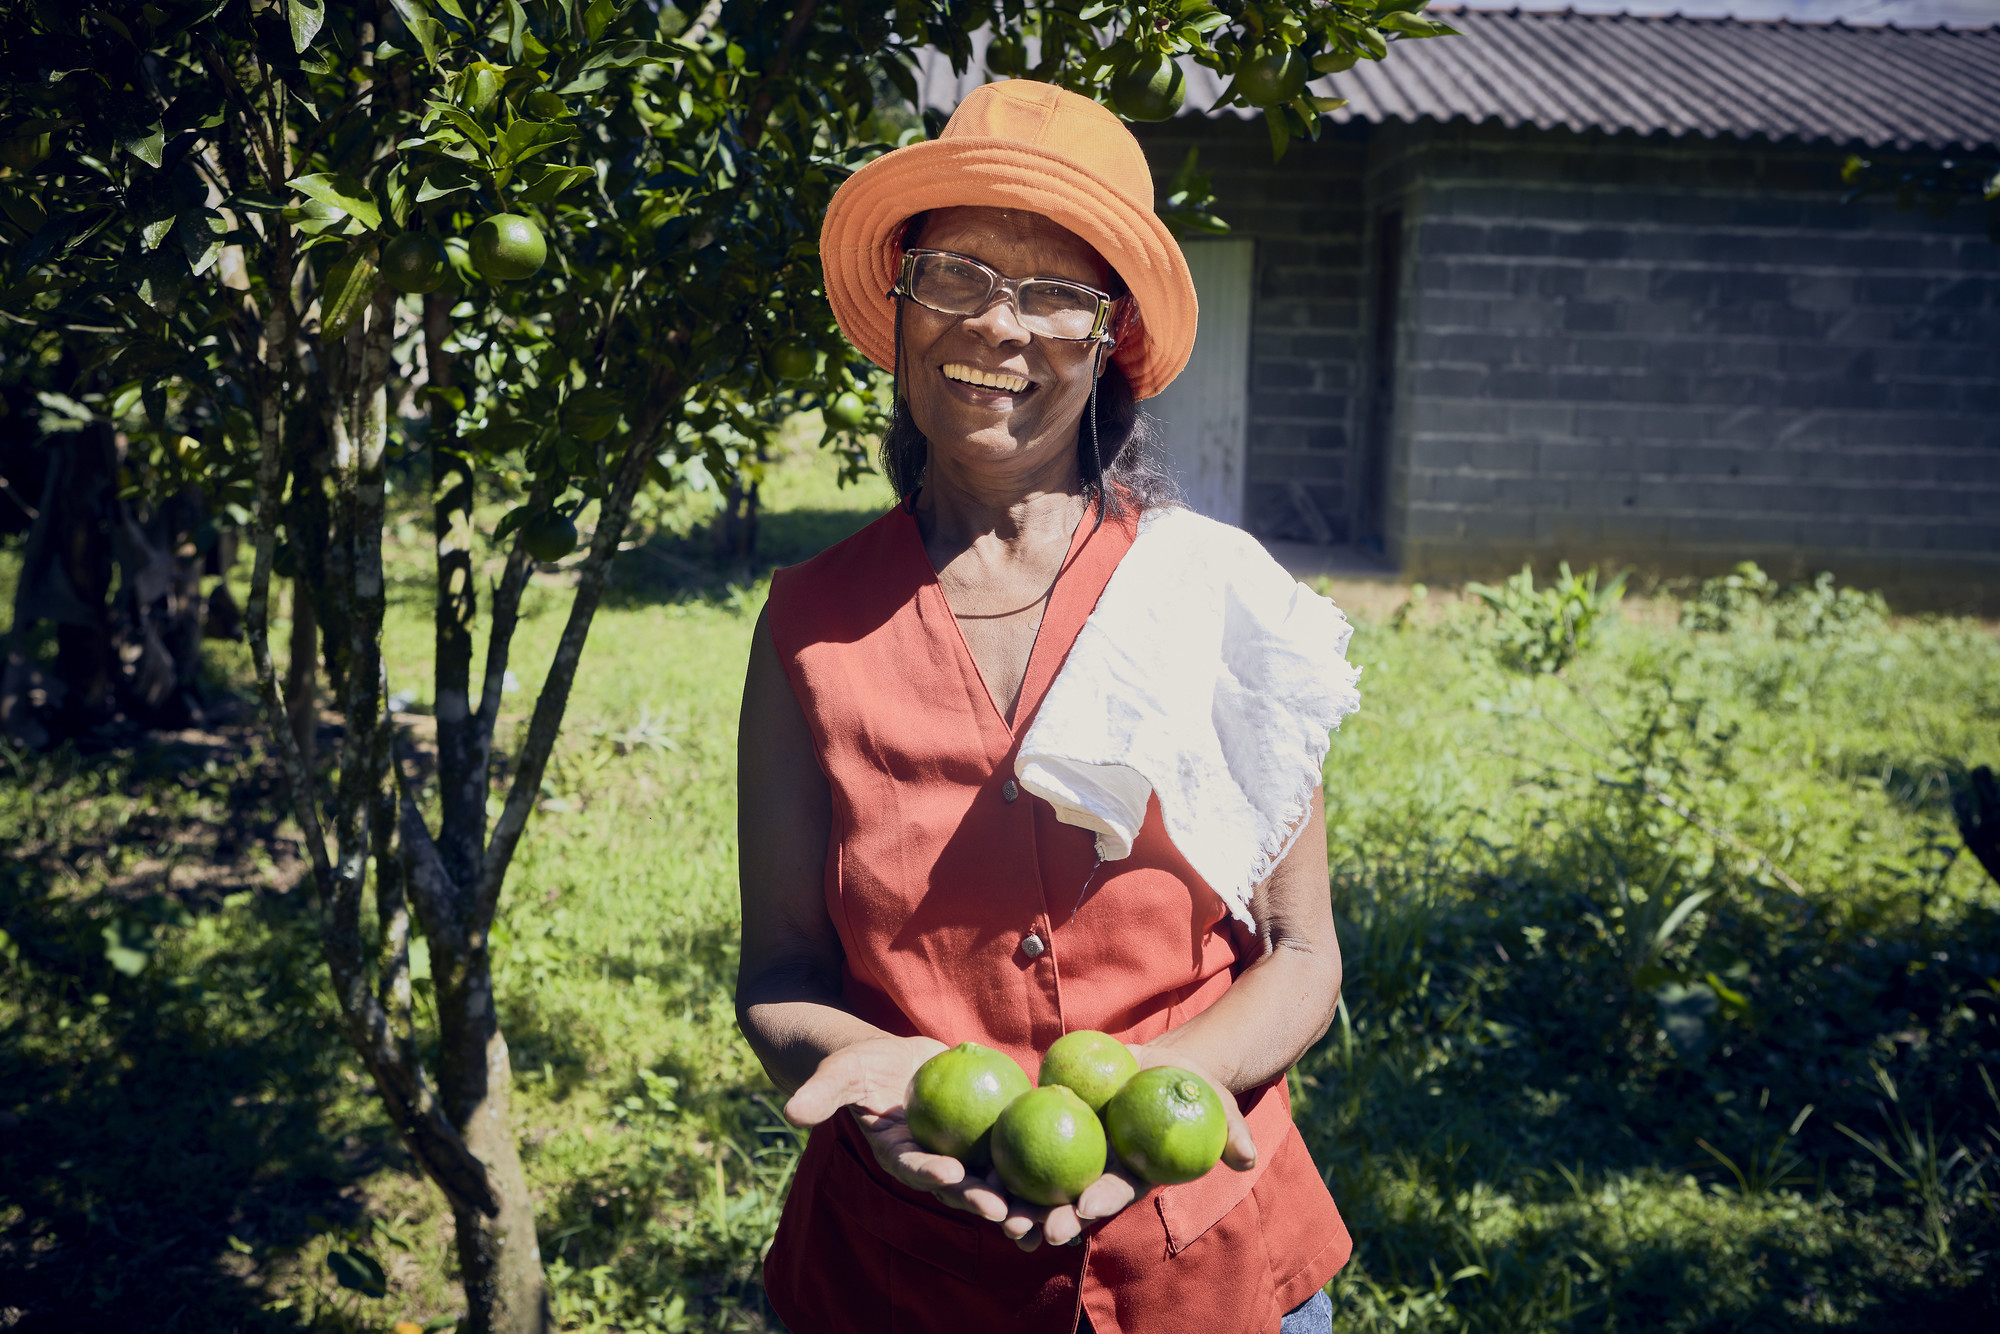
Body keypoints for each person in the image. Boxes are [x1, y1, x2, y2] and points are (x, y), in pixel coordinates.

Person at [736, 80, 1356, 1334]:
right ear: (903, 307)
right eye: (955, 274)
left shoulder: (1215, 595)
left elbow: (1301, 956)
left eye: (1054, 292)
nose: (997, 327)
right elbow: (783, 971)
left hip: (1211, 1262)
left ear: (1109, 338)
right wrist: (872, 1086)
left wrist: (1160, 1086)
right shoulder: (809, 621)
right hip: (902, 1274)